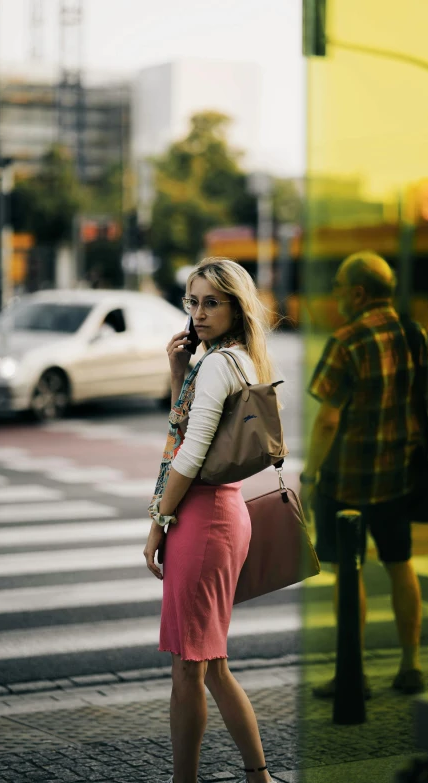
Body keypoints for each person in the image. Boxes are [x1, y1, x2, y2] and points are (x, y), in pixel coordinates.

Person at [144, 257, 276, 783]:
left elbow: (191, 453)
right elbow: (198, 427)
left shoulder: (220, 363)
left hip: (202, 519)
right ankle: (258, 776)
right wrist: (180, 374)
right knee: (212, 663)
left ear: (235, 306)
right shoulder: (234, 358)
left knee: (188, 669)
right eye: (192, 302)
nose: (198, 313)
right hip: (221, 512)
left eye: (211, 302)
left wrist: (159, 520)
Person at [300, 250, 428, 697]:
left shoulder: (346, 341)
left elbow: (327, 420)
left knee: (349, 572)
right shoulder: (415, 334)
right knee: (402, 565)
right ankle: (411, 666)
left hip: (346, 481)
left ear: (358, 293)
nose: (338, 296)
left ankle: (354, 675)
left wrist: (308, 478)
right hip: (400, 478)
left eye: (341, 288)